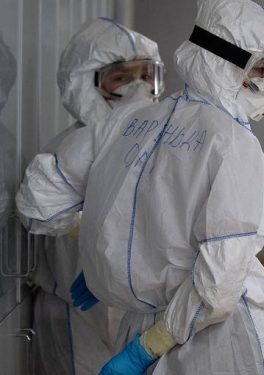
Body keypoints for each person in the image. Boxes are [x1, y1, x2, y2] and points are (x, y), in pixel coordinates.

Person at [16, 1, 264, 373]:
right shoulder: (230, 144)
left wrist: (143, 348)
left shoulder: (131, 121)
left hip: (189, 332)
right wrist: (100, 242)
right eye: (261, 69)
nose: (263, 84)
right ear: (226, 63)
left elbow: (40, 201)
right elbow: (218, 283)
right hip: (206, 334)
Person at [16, 18, 164, 375]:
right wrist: (100, 250)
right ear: (86, 85)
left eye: (147, 76)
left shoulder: (161, 146)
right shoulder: (64, 155)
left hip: (136, 306)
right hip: (77, 311)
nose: (139, 90)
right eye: (122, 79)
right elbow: (41, 213)